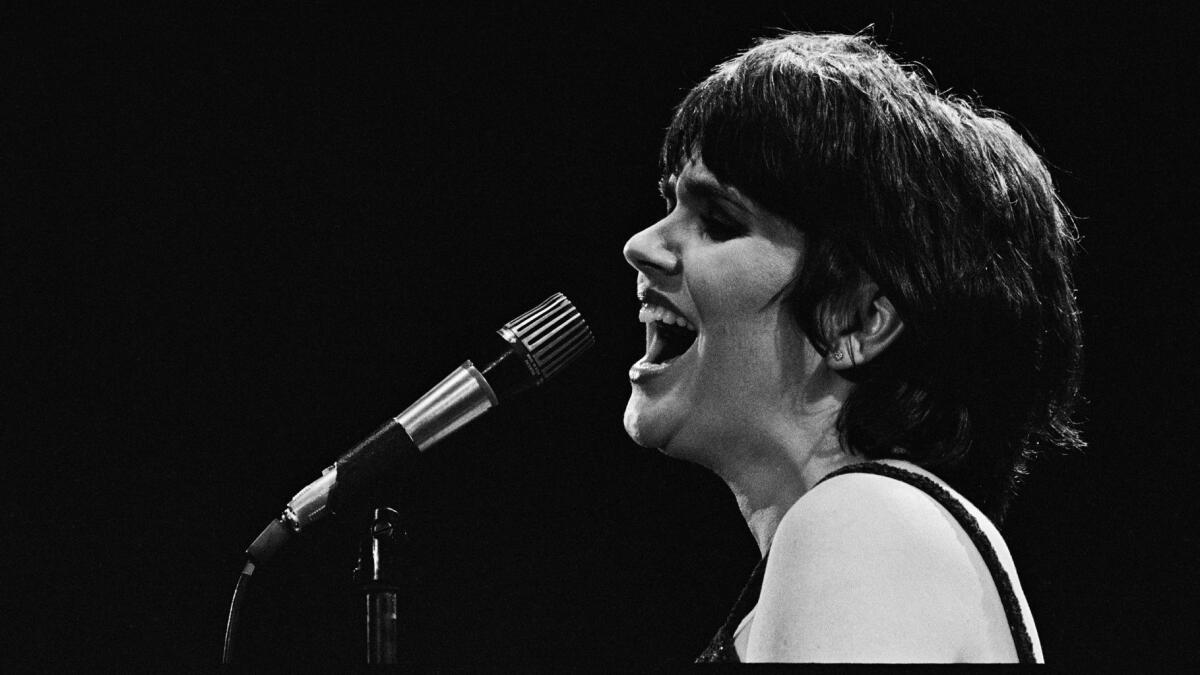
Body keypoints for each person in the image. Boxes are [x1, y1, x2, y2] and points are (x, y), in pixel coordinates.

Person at [622, 31, 1082, 663]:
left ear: (859, 320)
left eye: (720, 221)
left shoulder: (865, 524)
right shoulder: (859, 538)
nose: (642, 244)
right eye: (669, 204)